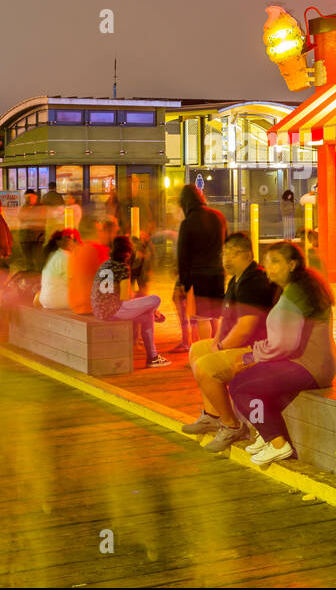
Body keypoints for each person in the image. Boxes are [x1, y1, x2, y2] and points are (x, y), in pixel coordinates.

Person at [192, 241, 336, 464]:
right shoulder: (297, 288)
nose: (269, 267)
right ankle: (265, 433)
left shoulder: (294, 295)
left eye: (276, 262)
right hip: (312, 364)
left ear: (292, 264)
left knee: (241, 386)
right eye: (268, 262)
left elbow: (283, 345)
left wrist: (251, 357)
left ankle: (278, 444)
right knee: (251, 383)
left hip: (307, 367)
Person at [182, 232, 278, 448]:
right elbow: (226, 319)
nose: (226, 258)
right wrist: (216, 342)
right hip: (239, 344)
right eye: (225, 253)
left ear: (247, 255)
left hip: (257, 349)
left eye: (232, 253)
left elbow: (246, 328)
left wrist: (221, 348)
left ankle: (232, 426)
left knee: (207, 367)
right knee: (197, 351)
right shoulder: (237, 279)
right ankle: (213, 416)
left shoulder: (253, 280)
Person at [91, 235, 167, 368]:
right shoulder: (123, 267)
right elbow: (126, 297)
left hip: (100, 310)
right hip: (114, 309)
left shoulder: (105, 264)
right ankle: (155, 312)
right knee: (155, 299)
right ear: (127, 253)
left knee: (147, 317)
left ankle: (153, 357)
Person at [172, 184, 226, 351]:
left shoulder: (188, 222)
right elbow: (226, 242)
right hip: (218, 272)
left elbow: (183, 256)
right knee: (215, 317)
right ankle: (217, 350)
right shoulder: (219, 216)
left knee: (202, 318)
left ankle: (205, 353)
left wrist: (184, 284)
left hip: (199, 275)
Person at [68, 216, 113, 314]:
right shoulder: (99, 250)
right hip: (95, 306)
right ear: (97, 232)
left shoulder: (75, 251)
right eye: (100, 230)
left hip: (76, 305)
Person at [36, 228, 77, 309]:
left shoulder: (54, 255)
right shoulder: (66, 257)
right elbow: (72, 282)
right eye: (73, 240)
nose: (74, 242)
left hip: (45, 299)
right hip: (58, 300)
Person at [18, 189, 46, 270]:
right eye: (27, 197)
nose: (29, 199)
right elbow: (21, 218)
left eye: (31, 197)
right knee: (28, 261)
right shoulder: (24, 207)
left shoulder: (40, 207)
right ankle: (30, 276)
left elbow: (41, 221)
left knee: (38, 260)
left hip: (37, 239)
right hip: (25, 239)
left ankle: (38, 276)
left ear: (35, 197)